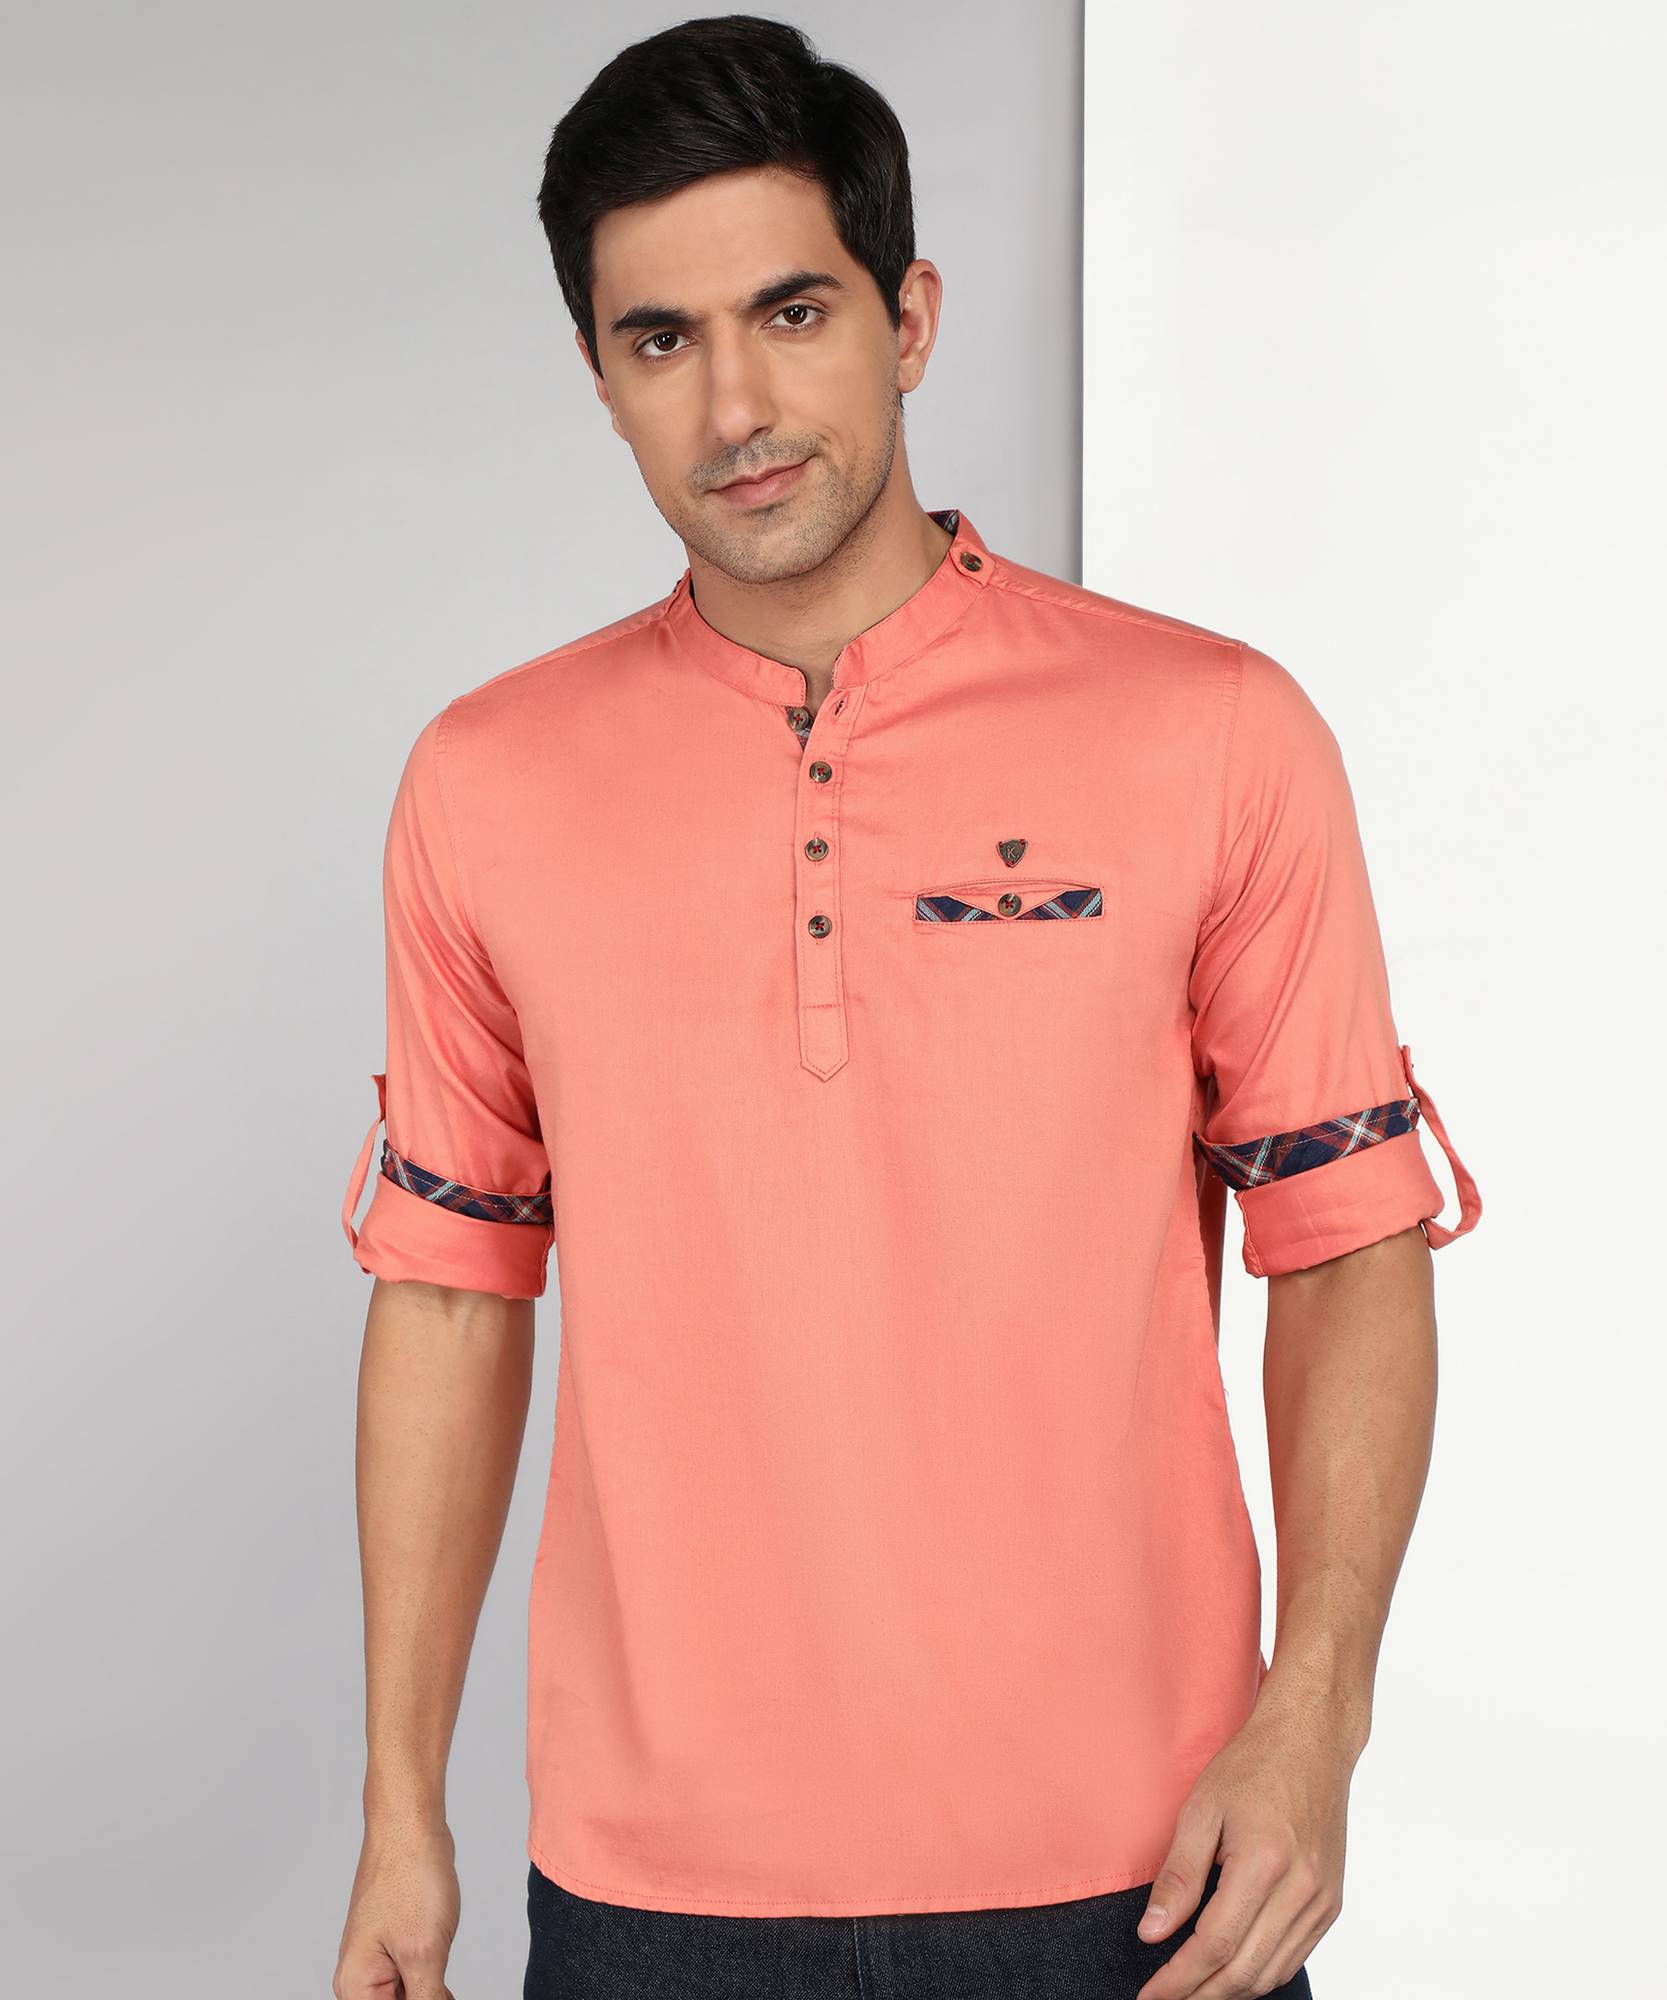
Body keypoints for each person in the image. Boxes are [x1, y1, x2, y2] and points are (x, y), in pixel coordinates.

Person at [331, 17, 1480, 2000]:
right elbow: (446, 1292)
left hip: (1146, 1870)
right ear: (601, 380)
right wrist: (398, 1808)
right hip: (651, 1892)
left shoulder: (1213, 732)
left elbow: (1350, 1241)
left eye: (793, 312)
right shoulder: (486, 783)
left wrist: (1318, 1720)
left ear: (911, 317)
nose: (737, 406)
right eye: (662, 340)